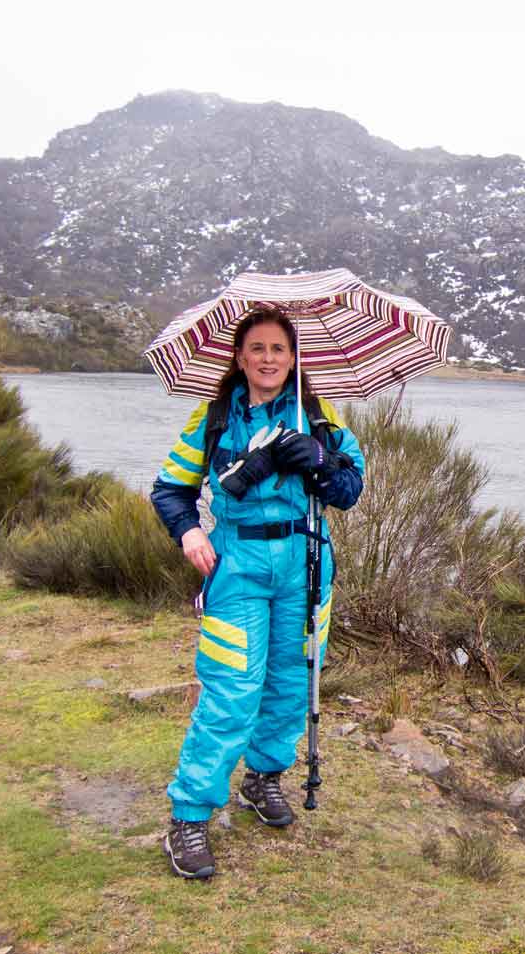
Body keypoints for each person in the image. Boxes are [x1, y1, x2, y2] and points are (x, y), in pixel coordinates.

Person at [150, 307, 365, 879]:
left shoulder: (319, 417)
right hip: (239, 563)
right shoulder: (215, 417)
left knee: (291, 680)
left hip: (307, 563)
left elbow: (350, 490)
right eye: (258, 348)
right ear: (240, 357)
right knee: (232, 688)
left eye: (278, 349)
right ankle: (190, 815)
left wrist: (320, 461)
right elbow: (171, 489)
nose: (268, 358)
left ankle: (263, 778)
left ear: (294, 357)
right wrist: (190, 532)